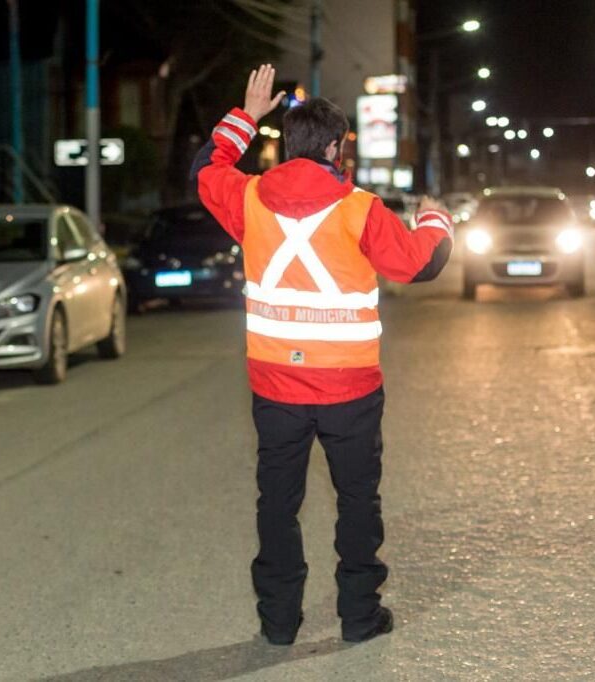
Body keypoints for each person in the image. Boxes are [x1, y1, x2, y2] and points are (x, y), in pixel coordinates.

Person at [191, 65, 452, 645]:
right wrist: (435, 218)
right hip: (350, 390)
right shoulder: (361, 209)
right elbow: (421, 263)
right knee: (357, 501)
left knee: (277, 504)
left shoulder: (250, 198)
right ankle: (359, 616)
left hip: (275, 389)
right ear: (335, 147)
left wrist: (246, 115)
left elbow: (205, 170)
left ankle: (278, 622)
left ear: (290, 144)